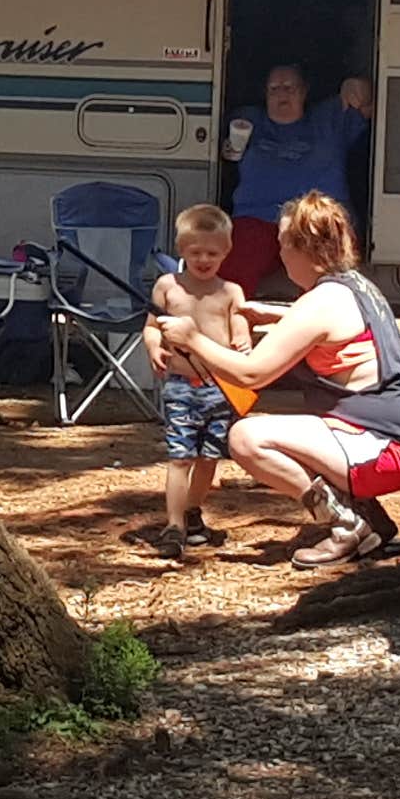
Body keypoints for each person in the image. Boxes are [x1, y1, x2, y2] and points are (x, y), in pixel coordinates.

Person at [179, 188, 400, 568]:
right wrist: (278, 315)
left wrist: (192, 339)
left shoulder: (320, 302)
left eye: (283, 245)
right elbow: (333, 327)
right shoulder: (356, 286)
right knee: (305, 432)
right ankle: (372, 521)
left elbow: (251, 373)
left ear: (305, 249)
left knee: (246, 437)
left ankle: (346, 524)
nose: (279, 255)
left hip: (382, 454)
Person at [135, 203, 254, 558]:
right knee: (180, 456)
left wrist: (243, 340)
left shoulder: (230, 291)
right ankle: (173, 525)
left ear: (226, 252)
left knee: (208, 458)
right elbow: (151, 327)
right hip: (182, 387)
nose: (203, 259)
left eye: (212, 253)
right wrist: (154, 347)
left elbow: (240, 327)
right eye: (195, 252)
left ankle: (192, 510)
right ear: (181, 250)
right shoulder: (168, 287)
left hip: (219, 388)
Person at [217, 62, 369, 288]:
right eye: (274, 88)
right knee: (231, 269)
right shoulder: (248, 120)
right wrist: (225, 149)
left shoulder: (329, 119)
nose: (282, 94)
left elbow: (374, 102)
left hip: (316, 219)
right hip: (257, 218)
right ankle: (230, 319)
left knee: (327, 274)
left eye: (290, 87)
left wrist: (359, 86)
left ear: (305, 91)